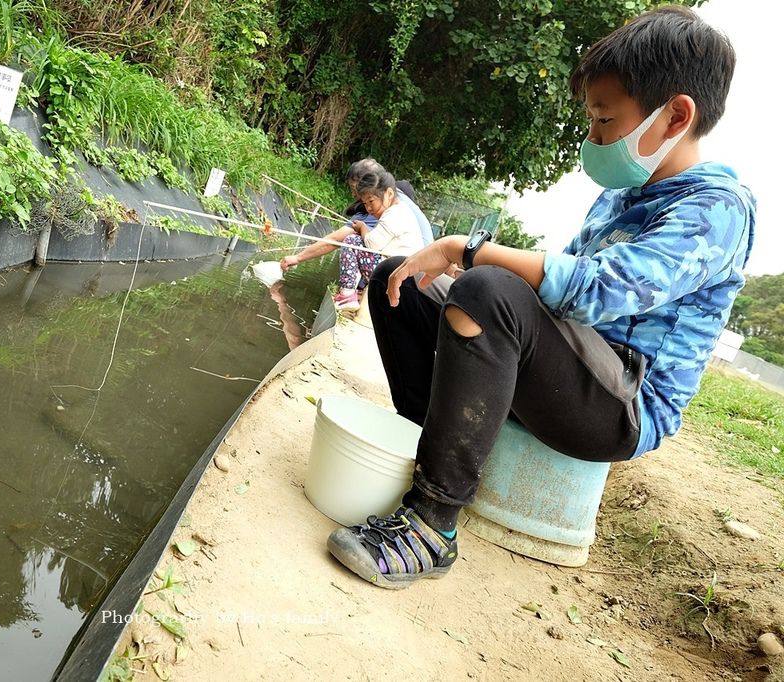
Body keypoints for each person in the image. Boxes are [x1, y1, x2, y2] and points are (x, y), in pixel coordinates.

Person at [326, 6, 756, 589]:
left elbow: (596, 289)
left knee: (483, 289)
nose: (593, 138)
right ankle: (422, 453)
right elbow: (550, 296)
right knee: (399, 280)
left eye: (605, 120)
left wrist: (467, 250)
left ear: (676, 116)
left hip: (623, 401)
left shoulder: (717, 208)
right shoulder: (618, 198)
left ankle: (433, 522)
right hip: (566, 363)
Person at [281, 162, 423, 310]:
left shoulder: (391, 212)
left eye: (354, 188)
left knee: (352, 242)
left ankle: (347, 294)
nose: (367, 206)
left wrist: (297, 258)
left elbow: (343, 241)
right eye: (365, 202)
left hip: (399, 275)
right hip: (407, 274)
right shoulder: (398, 204)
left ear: (387, 193)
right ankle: (355, 292)